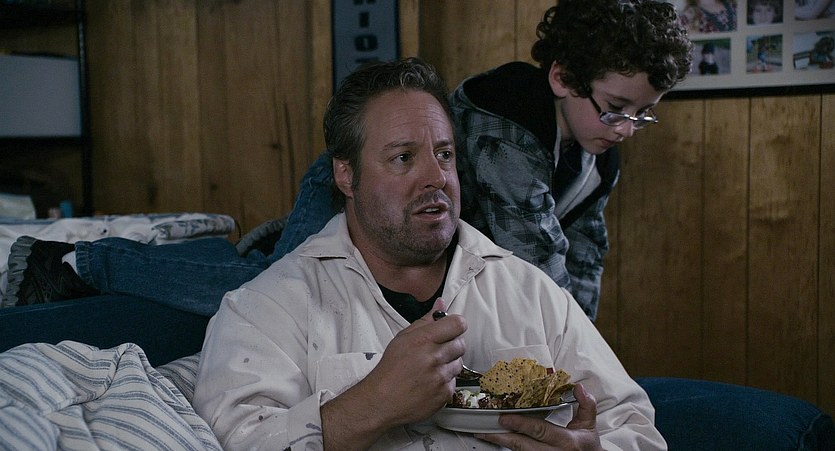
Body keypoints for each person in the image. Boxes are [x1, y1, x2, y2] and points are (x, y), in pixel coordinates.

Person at [4, 0, 692, 322]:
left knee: (269, 273)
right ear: (562, 77)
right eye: (615, 108)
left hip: (407, 217)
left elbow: (583, 255)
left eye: (642, 114)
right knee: (261, 292)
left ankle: (258, 245)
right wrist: (562, 353)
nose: (627, 129)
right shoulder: (511, 114)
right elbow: (532, 252)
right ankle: (72, 262)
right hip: (357, 183)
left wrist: (578, 342)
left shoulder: (596, 154)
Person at [192, 56, 665, 451]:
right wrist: (374, 403)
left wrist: (594, 449)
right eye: (403, 158)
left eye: (444, 154)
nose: (436, 178)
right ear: (346, 175)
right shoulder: (264, 309)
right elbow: (236, 440)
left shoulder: (533, 292)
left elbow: (637, 429)